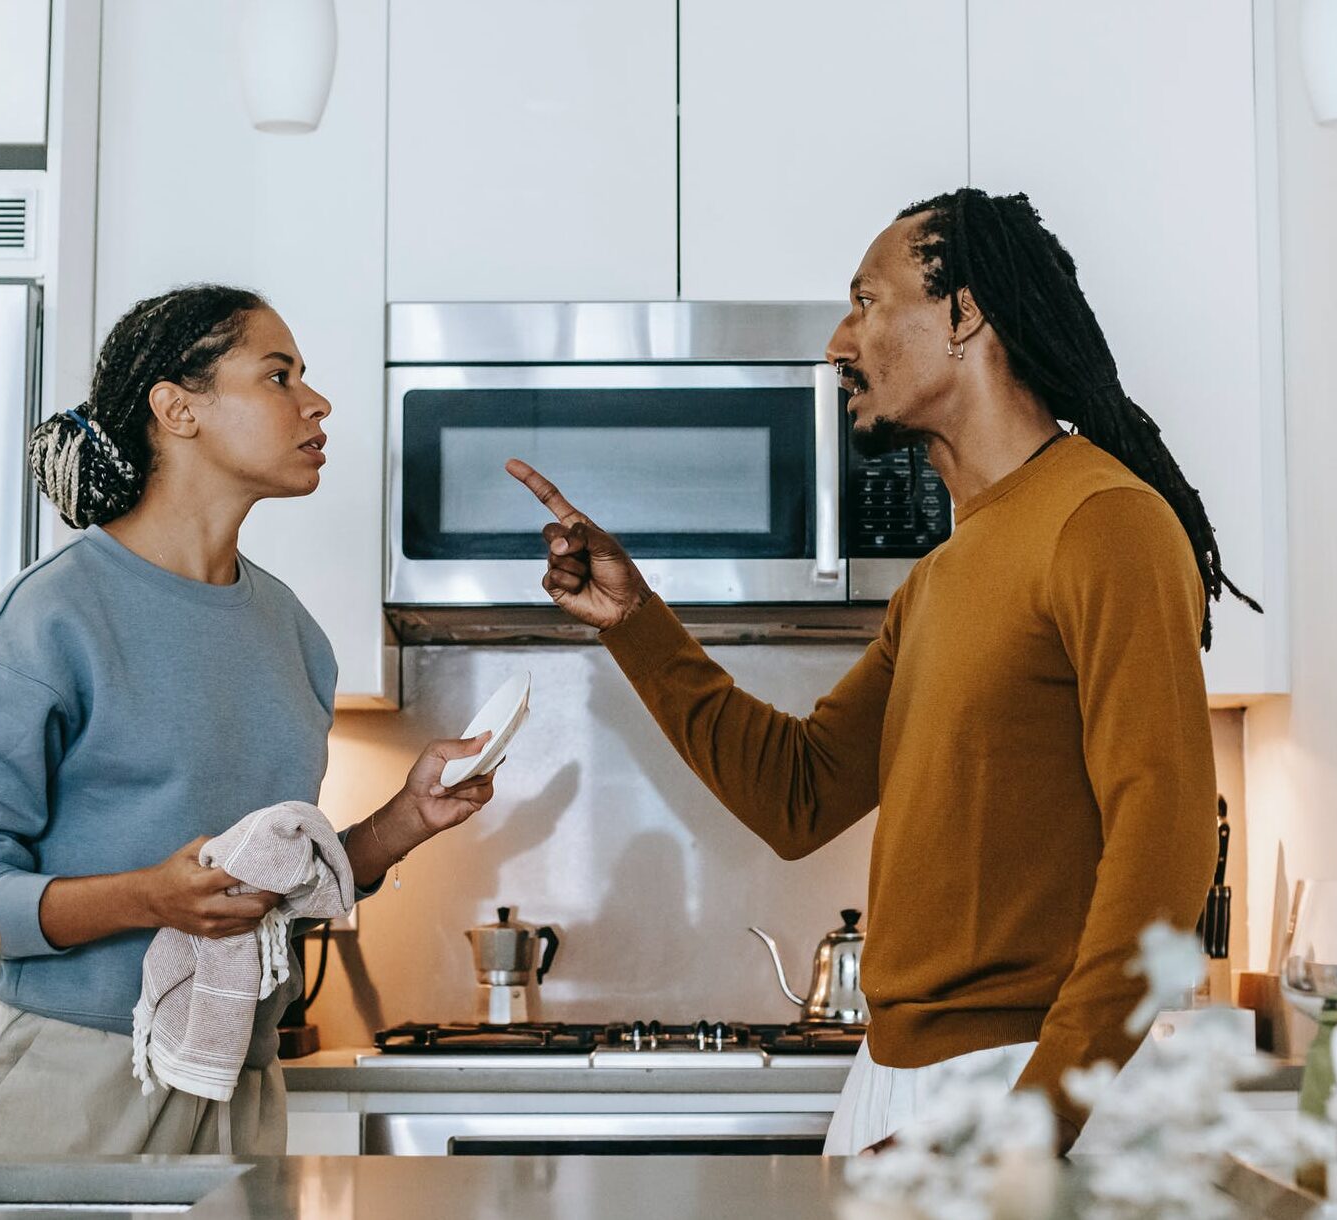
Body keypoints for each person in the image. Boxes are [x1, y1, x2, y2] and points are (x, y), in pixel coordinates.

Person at [507, 189, 1255, 1153]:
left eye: (866, 300)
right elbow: (798, 795)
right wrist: (635, 622)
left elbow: (1166, 844)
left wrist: (1027, 1124)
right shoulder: (939, 577)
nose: (837, 341)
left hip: (1031, 1087)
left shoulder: (1104, 521)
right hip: (897, 1081)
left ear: (964, 313)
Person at [0, 285, 498, 1156]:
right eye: (277, 375)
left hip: (239, 1072)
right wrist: (147, 898)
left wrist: (405, 821)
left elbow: (273, 889)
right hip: (74, 1075)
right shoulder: (48, 622)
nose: (316, 400)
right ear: (177, 409)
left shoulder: (290, 630)